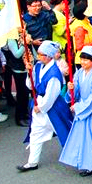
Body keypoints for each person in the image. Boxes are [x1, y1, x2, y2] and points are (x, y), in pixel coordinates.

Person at [17, 40, 73, 172]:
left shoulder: (54, 73)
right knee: (35, 134)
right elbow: (30, 85)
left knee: (65, 133)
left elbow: (51, 95)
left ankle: (80, 160)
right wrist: (29, 73)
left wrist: (41, 107)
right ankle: (32, 162)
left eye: (41, 54)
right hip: (40, 105)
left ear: (48, 56)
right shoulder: (37, 67)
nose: (38, 56)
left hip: (52, 109)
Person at [59, 46, 92, 176]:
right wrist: (72, 88)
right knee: (84, 138)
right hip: (83, 109)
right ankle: (88, 163)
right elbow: (75, 92)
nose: (83, 62)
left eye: (86, 60)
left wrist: (78, 107)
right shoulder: (79, 72)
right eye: (81, 59)